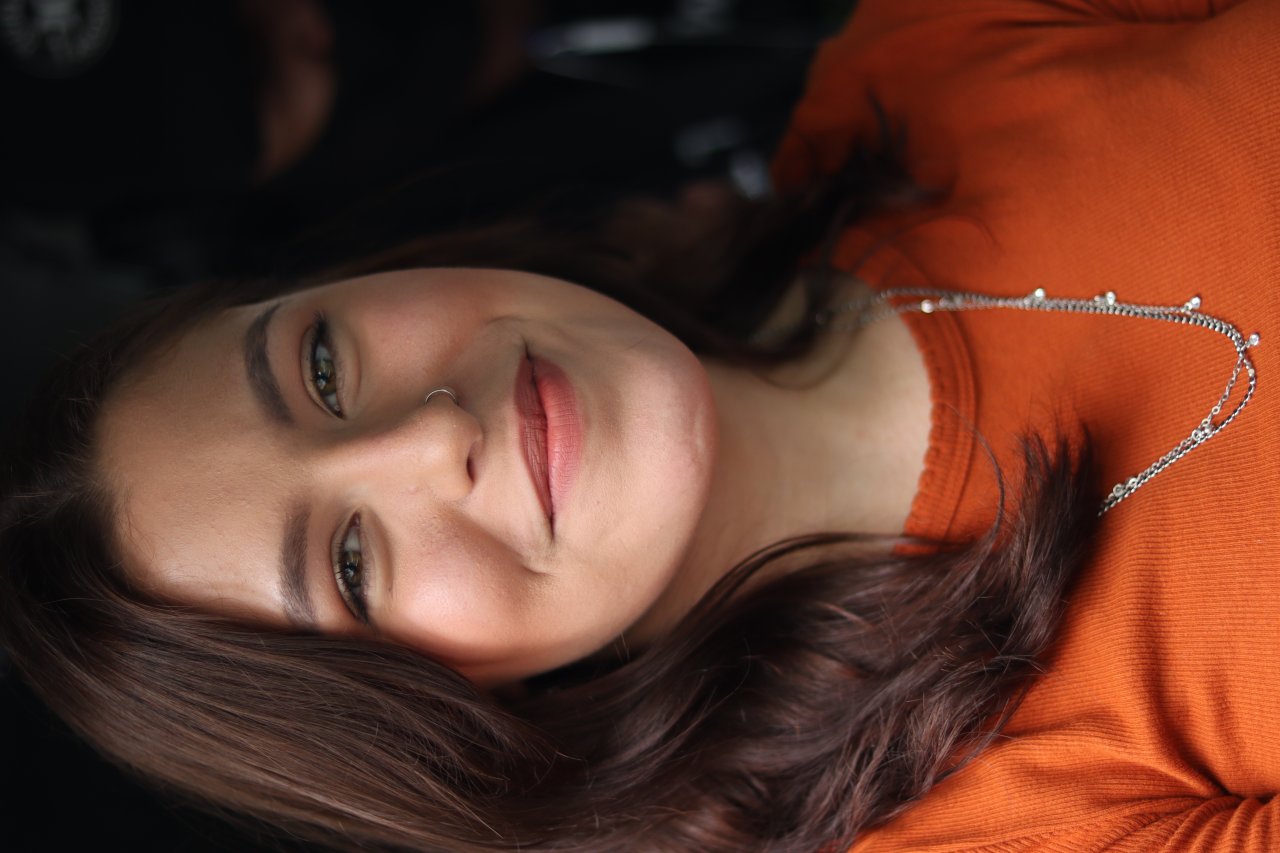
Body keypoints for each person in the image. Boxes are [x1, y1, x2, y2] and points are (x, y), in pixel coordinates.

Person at [3, 1, 1278, 852]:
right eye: (346, 562)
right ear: (436, 718)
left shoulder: (918, 59)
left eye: (322, 366)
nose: (427, 439)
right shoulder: (979, 825)